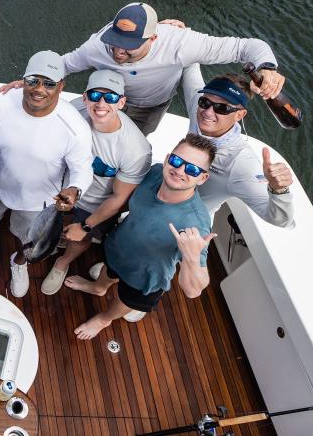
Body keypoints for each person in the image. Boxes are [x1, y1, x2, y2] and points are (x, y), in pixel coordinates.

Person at [0, 3, 288, 135]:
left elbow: (246, 47)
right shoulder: (99, 44)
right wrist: (32, 80)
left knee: (132, 146)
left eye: (129, 45)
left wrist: (267, 68)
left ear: (154, 37)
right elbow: (66, 63)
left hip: (150, 107)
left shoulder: (181, 43)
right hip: (107, 100)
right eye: (115, 42)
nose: (118, 51)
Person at [65, 134, 217, 340]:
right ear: (167, 159)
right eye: (176, 161)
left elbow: (193, 291)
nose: (180, 170)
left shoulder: (195, 223)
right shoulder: (155, 173)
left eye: (192, 169)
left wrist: (191, 258)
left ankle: (104, 318)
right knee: (108, 271)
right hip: (119, 247)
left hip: (145, 277)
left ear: (203, 177)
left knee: (126, 300)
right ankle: (98, 287)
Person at [0, 50, 92, 298]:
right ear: (23, 79)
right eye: (33, 80)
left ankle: (19, 262)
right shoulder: (1, 101)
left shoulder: (74, 127)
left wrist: (74, 190)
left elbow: (82, 170)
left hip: (38, 201)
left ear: (61, 87)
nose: (39, 89)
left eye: (49, 83)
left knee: (29, 242)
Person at [40, 69, 152, 295]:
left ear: (121, 102)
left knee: (81, 237)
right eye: (94, 96)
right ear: (84, 97)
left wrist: (85, 226)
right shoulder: (72, 110)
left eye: (110, 97)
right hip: (57, 185)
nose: (101, 104)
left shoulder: (136, 150)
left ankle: (63, 262)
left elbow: (119, 198)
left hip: (94, 203)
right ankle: (51, 241)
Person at [179, 68, 295, 227]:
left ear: (240, 115)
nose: (208, 112)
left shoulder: (240, 163)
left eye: (222, 108)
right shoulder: (198, 110)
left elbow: (282, 220)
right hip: (161, 199)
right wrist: (265, 67)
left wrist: (278, 190)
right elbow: (189, 63)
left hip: (189, 227)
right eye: (205, 102)